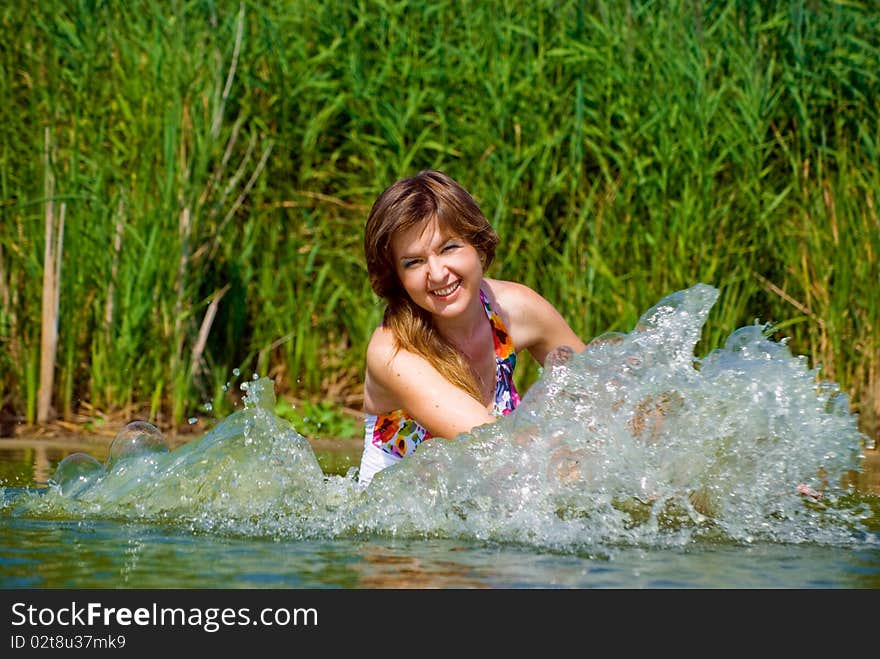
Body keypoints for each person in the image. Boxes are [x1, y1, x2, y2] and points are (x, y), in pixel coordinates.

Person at [358, 169, 587, 486]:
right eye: (414, 262)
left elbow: (600, 389)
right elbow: (494, 445)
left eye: (448, 247)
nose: (437, 274)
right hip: (402, 531)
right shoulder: (393, 353)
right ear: (396, 277)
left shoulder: (516, 308)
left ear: (477, 245)